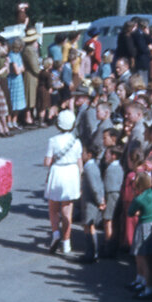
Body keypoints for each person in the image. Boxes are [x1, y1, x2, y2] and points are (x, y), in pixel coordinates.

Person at [43, 109, 83, 255]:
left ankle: (55, 234)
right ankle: (67, 242)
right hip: (71, 173)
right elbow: (80, 164)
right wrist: (80, 180)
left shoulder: (52, 141)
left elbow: (47, 162)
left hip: (57, 172)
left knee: (53, 208)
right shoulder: (76, 141)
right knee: (68, 209)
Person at [127, 170, 152, 297]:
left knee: (141, 255)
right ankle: (142, 280)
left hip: (143, 225)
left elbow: (130, 212)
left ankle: (143, 280)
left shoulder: (139, 199)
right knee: (146, 256)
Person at [78, 142, 104, 263]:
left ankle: (91, 253)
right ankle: (93, 252)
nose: (81, 155)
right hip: (90, 201)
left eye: (83, 153)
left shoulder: (89, 168)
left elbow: (95, 186)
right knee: (89, 226)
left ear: (89, 154)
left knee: (89, 227)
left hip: (90, 203)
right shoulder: (92, 166)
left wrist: (99, 201)